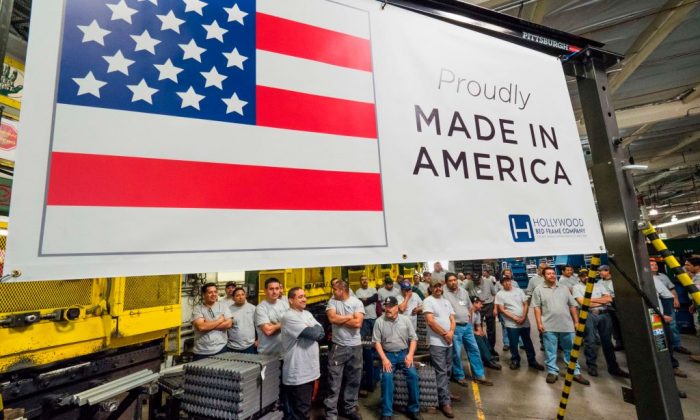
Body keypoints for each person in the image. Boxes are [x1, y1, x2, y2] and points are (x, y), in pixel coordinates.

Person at [532, 267, 589, 385]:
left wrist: (576, 322)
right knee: (550, 350)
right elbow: (537, 307)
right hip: (548, 325)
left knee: (570, 349)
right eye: (549, 274)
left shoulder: (564, 288)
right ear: (544, 276)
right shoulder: (538, 289)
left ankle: (575, 372)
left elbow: (572, 306)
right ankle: (552, 372)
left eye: (553, 273)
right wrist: (539, 323)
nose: (552, 275)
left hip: (566, 325)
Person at [373, 296, 423, 420]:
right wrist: (384, 359)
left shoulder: (405, 320)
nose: (387, 309)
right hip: (388, 355)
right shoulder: (379, 321)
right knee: (386, 378)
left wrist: (410, 355)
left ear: (396, 307)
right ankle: (386, 413)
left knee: (413, 375)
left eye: (390, 306)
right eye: (386, 306)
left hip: (403, 354)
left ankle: (413, 409)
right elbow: (377, 342)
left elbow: (413, 339)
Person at [572, 271, 629, 378]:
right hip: (589, 315)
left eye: (588, 275)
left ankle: (613, 367)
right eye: (583, 276)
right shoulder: (577, 287)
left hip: (605, 314)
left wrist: (590, 300)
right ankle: (592, 366)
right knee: (590, 341)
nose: (586, 277)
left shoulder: (599, 285)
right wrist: (601, 300)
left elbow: (609, 299)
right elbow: (583, 303)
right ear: (580, 278)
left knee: (608, 342)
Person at [281, 287, 325, 420]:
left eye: (304, 296)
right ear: (290, 300)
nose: (304, 299)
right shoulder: (289, 316)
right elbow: (314, 334)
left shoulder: (307, 314)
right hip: (298, 373)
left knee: (305, 407)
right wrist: (314, 330)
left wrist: (315, 330)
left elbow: (321, 331)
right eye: (300, 297)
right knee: (301, 412)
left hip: (310, 370)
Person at [443, 272, 493, 387]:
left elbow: (470, 307)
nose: (453, 282)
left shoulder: (464, 292)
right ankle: (459, 376)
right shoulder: (444, 294)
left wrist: (470, 322)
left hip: (467, 327)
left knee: (474, 350)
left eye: (454, 280)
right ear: (446, 282)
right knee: (456, 353)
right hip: (455, 328)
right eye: (450, 281)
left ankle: (479, 375)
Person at [325, 280, 365, 420]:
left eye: (335, 289)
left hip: (355, 347)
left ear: (342, 290)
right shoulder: (332, 302)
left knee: (354, 379)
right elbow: (332, 319)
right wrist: (349, 316)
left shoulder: (357, 303)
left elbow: (358, 323)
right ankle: (331, 413)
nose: (333, 291)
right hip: (338, 346)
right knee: (333, 381)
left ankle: (349, 409)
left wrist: (340, 319)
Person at [423, 279, 457, 418]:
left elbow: (452, 319)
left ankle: (445, 393)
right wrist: (445, 334)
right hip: (437, 342)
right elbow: (430, 321)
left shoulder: (446, 301)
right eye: (435, 287)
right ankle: (445, 402)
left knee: (448, 369)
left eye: (439, 286)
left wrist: (451, 332)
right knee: (441, 371)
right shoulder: (428, 301)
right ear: (431, 288)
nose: (438, 289)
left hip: (449, 341)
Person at [495, 276, 544, 371]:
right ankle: (515, 360)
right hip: (511, 324)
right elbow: (502, 309)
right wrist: (515, 318)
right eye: (505, 282)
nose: (507, 283)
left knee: (527, 342)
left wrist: (523, 317)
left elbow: (525, 304)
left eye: (508, 281)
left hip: (524, 322)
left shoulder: (519, 291)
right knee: (513, 343)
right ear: (502, 283)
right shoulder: (500, 294)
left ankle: (532, 360)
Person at [650, 259, 689, 355]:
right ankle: (664, 348)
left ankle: (676, 345)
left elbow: (671, 289)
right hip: (655, 304)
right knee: (658, 327)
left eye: (655, 264)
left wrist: (676, 299)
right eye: (652, 265)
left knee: (672, 324)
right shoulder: (646, 278)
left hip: (666, 302)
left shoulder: (663, 276)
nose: (655, 266)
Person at [191, 283, 233, 360]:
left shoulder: (223, 306)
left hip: (221, 349)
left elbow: (229, 324)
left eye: (215, 292)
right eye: (210, 292)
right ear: (203, 294)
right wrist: (220, 320)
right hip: (202, 351)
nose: (213, 294)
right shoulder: (198, 309)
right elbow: (201, 327)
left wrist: (208, 324)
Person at [355, 275, 379, 397]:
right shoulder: (358, 291)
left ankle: (375, 357)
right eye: (362, 279)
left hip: (373, 318)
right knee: (366, 345)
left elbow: (375, 298)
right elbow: (361, 302)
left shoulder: (373, 289)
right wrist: (369, 300)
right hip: (364, 320)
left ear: (368, 281)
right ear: (360, 281)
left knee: (376, 342)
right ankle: (369, 357)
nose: (364, 281)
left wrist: (366, 300)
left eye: (365, 279)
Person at [255, 277, 290, 356]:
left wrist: (275, 325)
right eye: (271, 289)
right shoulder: (261, 308)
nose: (274, 292)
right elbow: (268, 331)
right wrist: (284, 323)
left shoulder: (284, 304)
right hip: (267, 354)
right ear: (265, 290)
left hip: (284, 353)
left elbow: (292, 323)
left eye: (277, 288)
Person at [469, 296, 501, 370]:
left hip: (471, 330)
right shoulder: (469, 313)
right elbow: (467, 328)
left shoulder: (477, 313)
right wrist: (475, 333)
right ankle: (488, 360)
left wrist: (480, 332)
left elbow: (478, 325)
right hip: (465, 332)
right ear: (474, 304)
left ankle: (489, 354)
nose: (482, 305)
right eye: (480, 304)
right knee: (478, 337)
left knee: (482, 335)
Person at [598, 265, 623, 351]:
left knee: (623, 323)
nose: (599, 273)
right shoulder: (599, 283)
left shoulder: (617, 280)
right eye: (599, 271)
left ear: (608, 271)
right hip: (608, 305)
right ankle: (619, 342)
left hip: (619, 302)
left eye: (601, 271)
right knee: (614, 324)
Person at [472, 271, 498, 353]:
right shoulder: (469, 283)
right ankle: (482, 349)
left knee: (491, 328)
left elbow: (494, 294)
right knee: (478, 328)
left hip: (489, 305)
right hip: (477, 307)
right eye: (474, 281)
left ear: (481, 277)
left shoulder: (488, 282)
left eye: (478, 280)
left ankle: (491, 348)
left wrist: (495, 308)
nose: (477, 282)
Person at [227, 287, 257, 354]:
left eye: (242, 294)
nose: (241, 297)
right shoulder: (228, 310)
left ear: (245, 295)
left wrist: (258, 340)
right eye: (237, 295)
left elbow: (258, 326)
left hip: (250, 346)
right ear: (233, 298)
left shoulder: (253, 308)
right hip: (233, 346)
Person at [684, 257, 700, 363]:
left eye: (688, 265)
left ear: (697, 266)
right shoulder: (695, 277)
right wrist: (694, 304)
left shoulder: (698, 277)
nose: (685, 267)